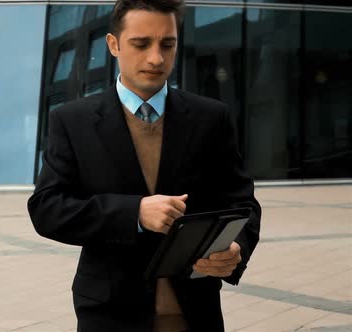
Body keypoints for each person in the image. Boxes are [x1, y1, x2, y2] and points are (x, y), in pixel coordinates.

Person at [27, 0, 261, 331]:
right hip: (109, 314)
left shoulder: (212, 118)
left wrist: (237, 247)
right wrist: (134, 213)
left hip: (196, 312)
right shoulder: (71, 121)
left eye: (168, 44)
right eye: (141, 44)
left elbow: (243, 203)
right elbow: (47, 209)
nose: (156, 58)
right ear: (113, 44)